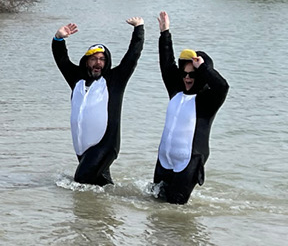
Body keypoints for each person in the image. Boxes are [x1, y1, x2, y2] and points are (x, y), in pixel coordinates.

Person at [52, 17, 144, 185]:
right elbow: (61, 60)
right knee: (100, 185)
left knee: (80, 180)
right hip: (82, 146)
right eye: (94, 59)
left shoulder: (115, 80)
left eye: (102, 59)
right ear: (87, 61)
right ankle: (108, 208)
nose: (98, 63)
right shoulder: (76, 78)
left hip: (106, 144)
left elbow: (132, 56)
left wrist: (138, 29)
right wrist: (58, 39)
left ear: (106, 62)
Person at [153, 11, 230, 204]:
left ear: (202, 76)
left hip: (190, 161)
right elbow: (166, 62)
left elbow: (223, 86)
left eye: (192, 74)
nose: (187, 78)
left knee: (175, 208)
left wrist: (203, 67)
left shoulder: (208, 100)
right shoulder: (176, 90)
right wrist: (165, 34)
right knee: (155, 206)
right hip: (164, 159)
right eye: (185, 73)